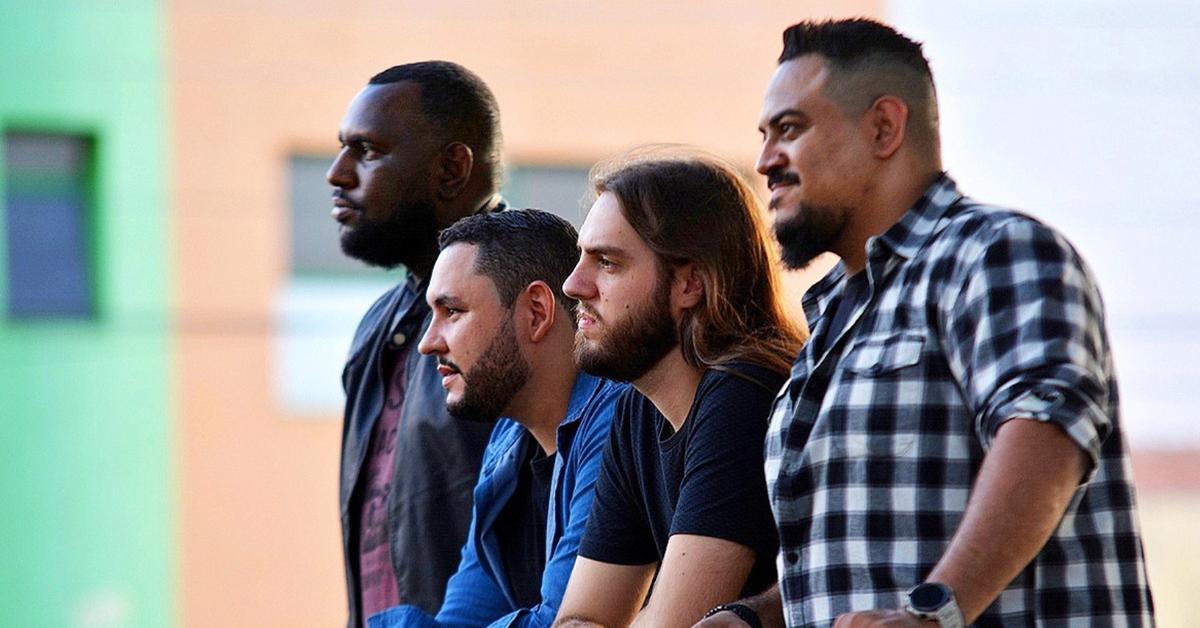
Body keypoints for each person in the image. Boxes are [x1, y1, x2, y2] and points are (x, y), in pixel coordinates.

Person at [703, 18, 1155, 627]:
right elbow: (856, 559)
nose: (764, 161)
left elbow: (1048, 434)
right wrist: (756, 617)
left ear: (885, 127)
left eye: (790, 129)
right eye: (764, 136)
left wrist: (932, 614)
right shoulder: (834, 316)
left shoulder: (999, 254)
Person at [552, 151, 806, 628]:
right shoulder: (636, 409)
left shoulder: (744, 395)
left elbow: (675, 624)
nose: (573, 285)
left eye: (607, 262)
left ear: (689, 282)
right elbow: (576, 618)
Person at [368, 209, 624, 628]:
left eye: (452, 311)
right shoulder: (508, 439)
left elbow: (561, 622)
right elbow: (460, 619)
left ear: (537, 312)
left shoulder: (616, 423)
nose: (428, 344)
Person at [328, 61, 507, 628]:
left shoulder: (535, 302)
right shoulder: (376, 326)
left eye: (367, 150)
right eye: (342, 148)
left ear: (452, 168)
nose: (337, 173)